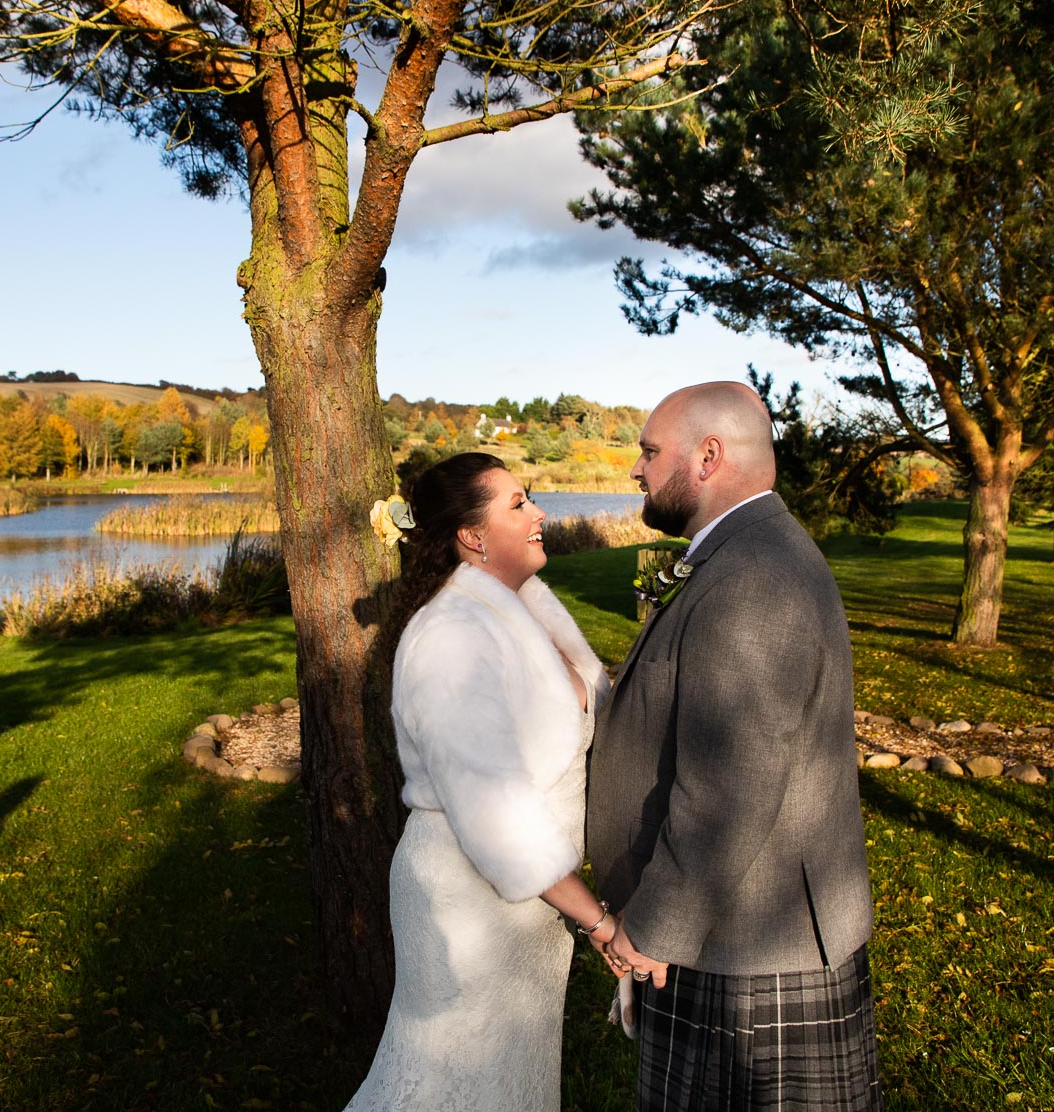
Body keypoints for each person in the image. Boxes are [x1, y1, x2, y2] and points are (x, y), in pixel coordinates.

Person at [588, 382, 883, 1111]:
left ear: (708, 457)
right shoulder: (743, 551)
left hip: (747, 947)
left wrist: (654, 928)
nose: (636, 469)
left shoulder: (751, 577)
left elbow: (730, 787)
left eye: (650, 452)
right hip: (735, 926)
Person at [344, 452, 617, 1112]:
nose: (539, 513)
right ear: (471, 536)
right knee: (446, 1087)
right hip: (466, 905)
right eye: (518, 504)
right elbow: (493, 811)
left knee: (512, 1086)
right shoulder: (451, 635)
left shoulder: (527, 607)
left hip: (531, 906)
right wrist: (598, 922)